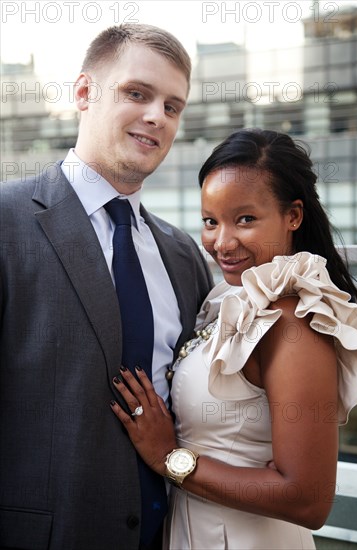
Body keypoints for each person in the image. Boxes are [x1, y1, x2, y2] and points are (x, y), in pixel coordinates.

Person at [0, 24, 213, 550]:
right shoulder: (6, 222)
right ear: (83, 93)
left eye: (172, 106)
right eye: (136, 93)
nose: (156, 117)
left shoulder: (185, 255)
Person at [110, 129, 357, 549]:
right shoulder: (233, 298)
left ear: (293, 216)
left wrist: (168, 458)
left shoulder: (294, 323)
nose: (222, 243)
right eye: (211, 221)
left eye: (245, 219)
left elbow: (308, 500)